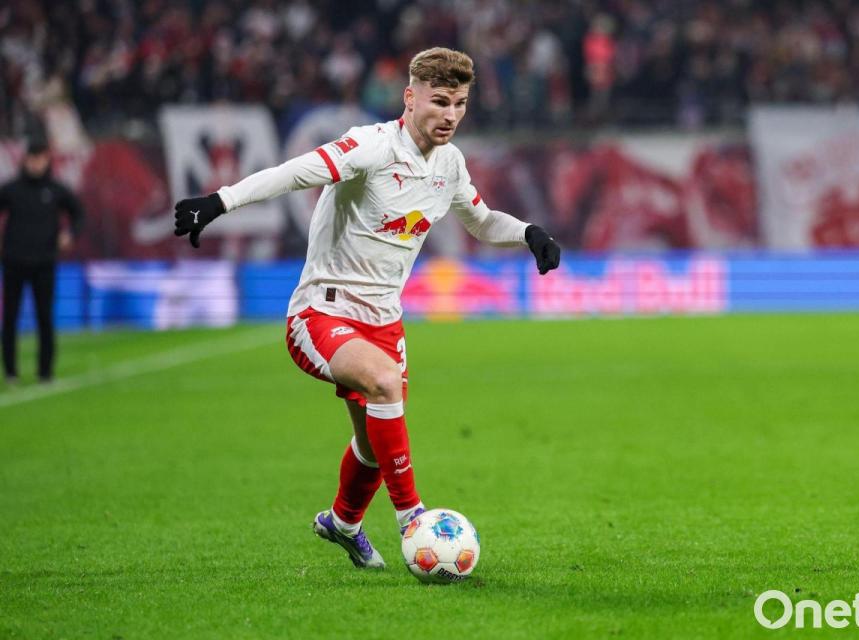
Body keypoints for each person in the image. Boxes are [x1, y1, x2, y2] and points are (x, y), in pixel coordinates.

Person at [173, 47, 561, 568]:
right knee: (382, 382)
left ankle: (343, 522)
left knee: (376, 443)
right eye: (439, 101)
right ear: (410, 97)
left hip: (384, 322)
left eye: (460, 104)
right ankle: (413, 519)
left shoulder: (449, 164)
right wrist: (219, 201)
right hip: (322, 312)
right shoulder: (370, 147)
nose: (450, 115)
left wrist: (529, 233)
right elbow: (294, 172)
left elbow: (481, 220)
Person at [1, 135, 84, 385]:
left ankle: (45, 371)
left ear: (47, 160)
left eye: (40, 158)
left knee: (45, 317)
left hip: (44, 263)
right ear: (25, 160)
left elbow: (78, 213)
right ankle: (11, 371)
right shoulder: (11, 189)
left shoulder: (56, 190)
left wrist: (70, 233)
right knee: (10, 318)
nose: (36, 163)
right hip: (14, 261)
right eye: (32, 158)